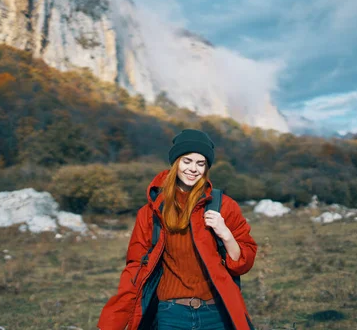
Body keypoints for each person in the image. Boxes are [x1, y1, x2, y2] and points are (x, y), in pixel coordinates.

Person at [97, 129, 257, 330]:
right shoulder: (150, 213)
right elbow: (135, 268)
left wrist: (225, 233)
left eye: (201, 164)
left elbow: (242, 264)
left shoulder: (224, 206)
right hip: (171, 314)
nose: (193, 169)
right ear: (175, 163)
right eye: (187, 161)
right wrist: (115, 320)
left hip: (215, 314)